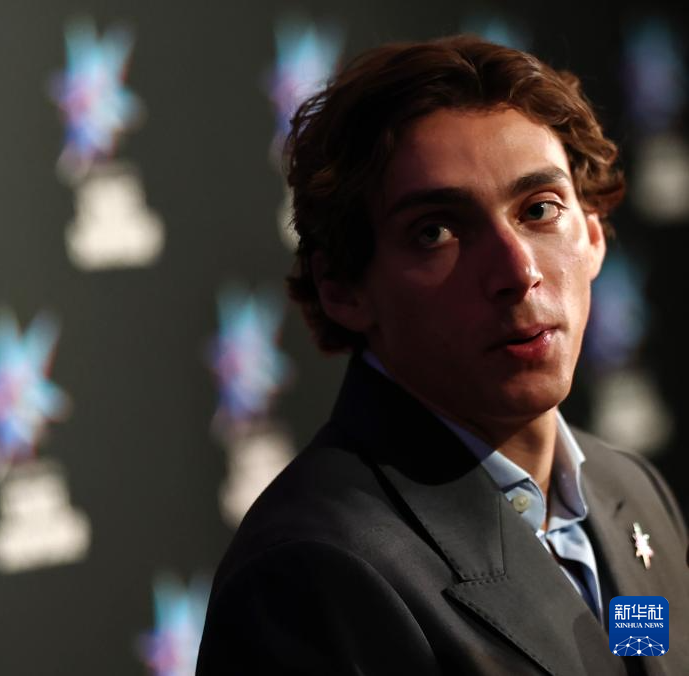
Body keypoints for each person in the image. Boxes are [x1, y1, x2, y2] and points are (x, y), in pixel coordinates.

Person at [196, 35, 689, 675]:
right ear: (342, 288)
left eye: (539, 209)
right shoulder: (312, 573)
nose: (517, 271)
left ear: (592, 234)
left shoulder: (631, 490)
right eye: (437, 231)